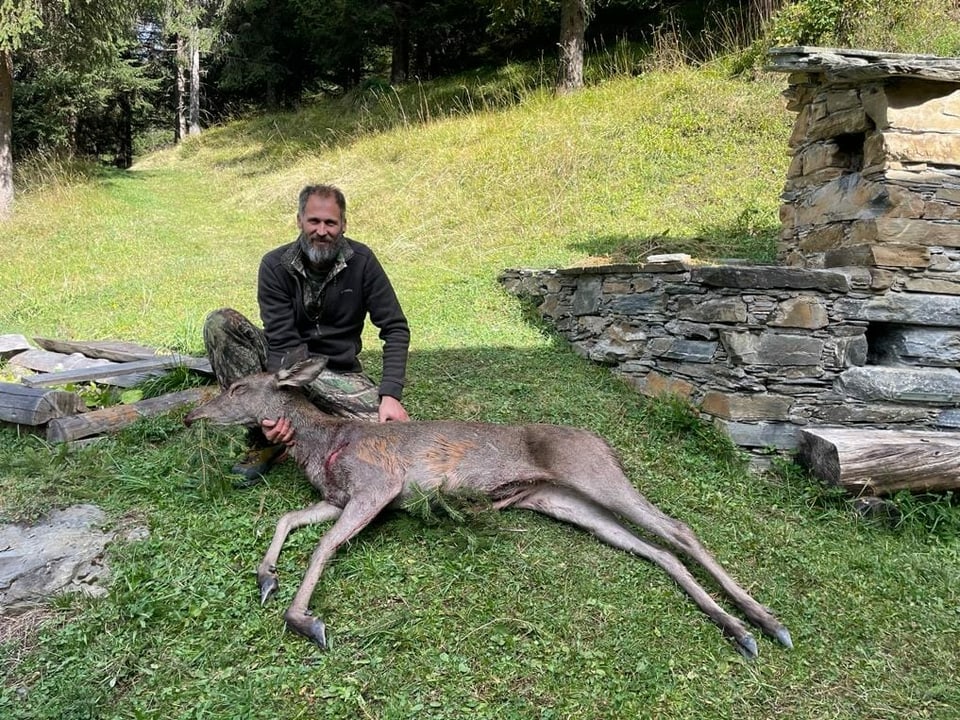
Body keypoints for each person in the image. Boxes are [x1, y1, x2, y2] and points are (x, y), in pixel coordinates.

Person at [201, 183, 411, 485]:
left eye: (330, 223)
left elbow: (394, 327)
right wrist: (275, 416)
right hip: (286, 364)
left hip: (335, 371)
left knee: (385, 436)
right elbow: (282, 339)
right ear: (300, 220)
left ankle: (300, 426)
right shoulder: (274, 265)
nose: (322, 230)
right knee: (220, 323)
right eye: (314, 221)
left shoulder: (363, 262)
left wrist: (390, 394)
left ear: (343, 225)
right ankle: (265, 439)